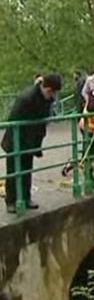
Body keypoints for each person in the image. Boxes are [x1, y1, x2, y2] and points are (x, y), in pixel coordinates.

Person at [2, 73, 63, 213]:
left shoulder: (45, 97)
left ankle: (25, 197)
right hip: (16, 140)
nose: (53, 96)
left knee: (26, 170)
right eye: (52, 92)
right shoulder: (27, 98)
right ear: (47, 88)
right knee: (13, 171)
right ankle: (11, 201)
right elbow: (15, 121)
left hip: (30, 140)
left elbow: (43, 116)